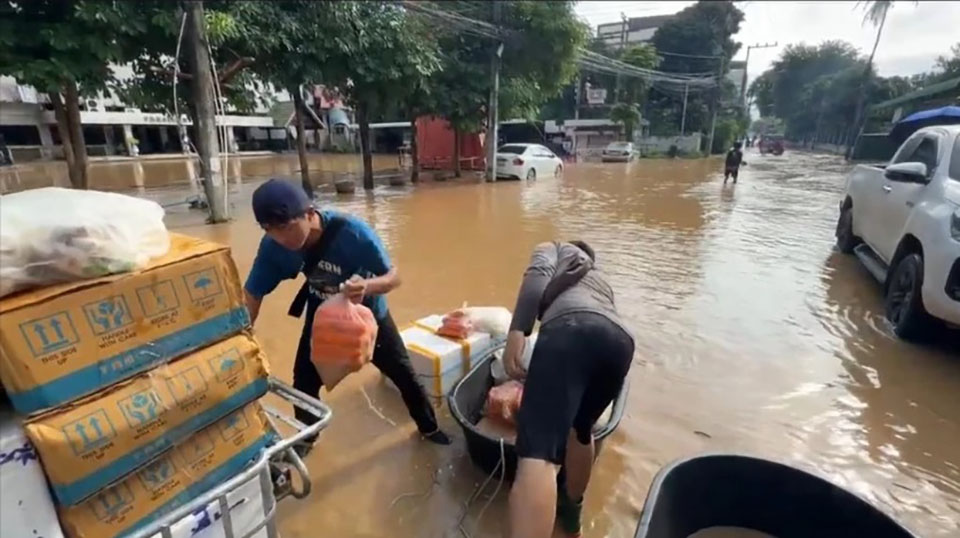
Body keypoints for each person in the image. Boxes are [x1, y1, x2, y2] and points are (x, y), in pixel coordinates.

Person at [243, 179, 451, 452]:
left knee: (404, 375)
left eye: (286, 228)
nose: (281, 238)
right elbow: (253, 294)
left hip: (369, 317)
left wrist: (367, 286)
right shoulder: (274, 247)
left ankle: (429, 428)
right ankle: (308, 438)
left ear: (309, 213)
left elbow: (393, 277)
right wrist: (242, 340)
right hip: (323, 318)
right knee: (303, 384)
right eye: (269, 230)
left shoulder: (352, 233)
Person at [503, 241, 634, 538]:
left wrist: (518, 330)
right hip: (620, 342)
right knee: (581, 429)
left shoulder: (555, 247)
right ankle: (572, 518)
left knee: (539, 454)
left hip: (571, 326)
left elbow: (537, 276)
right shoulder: (600, 280)